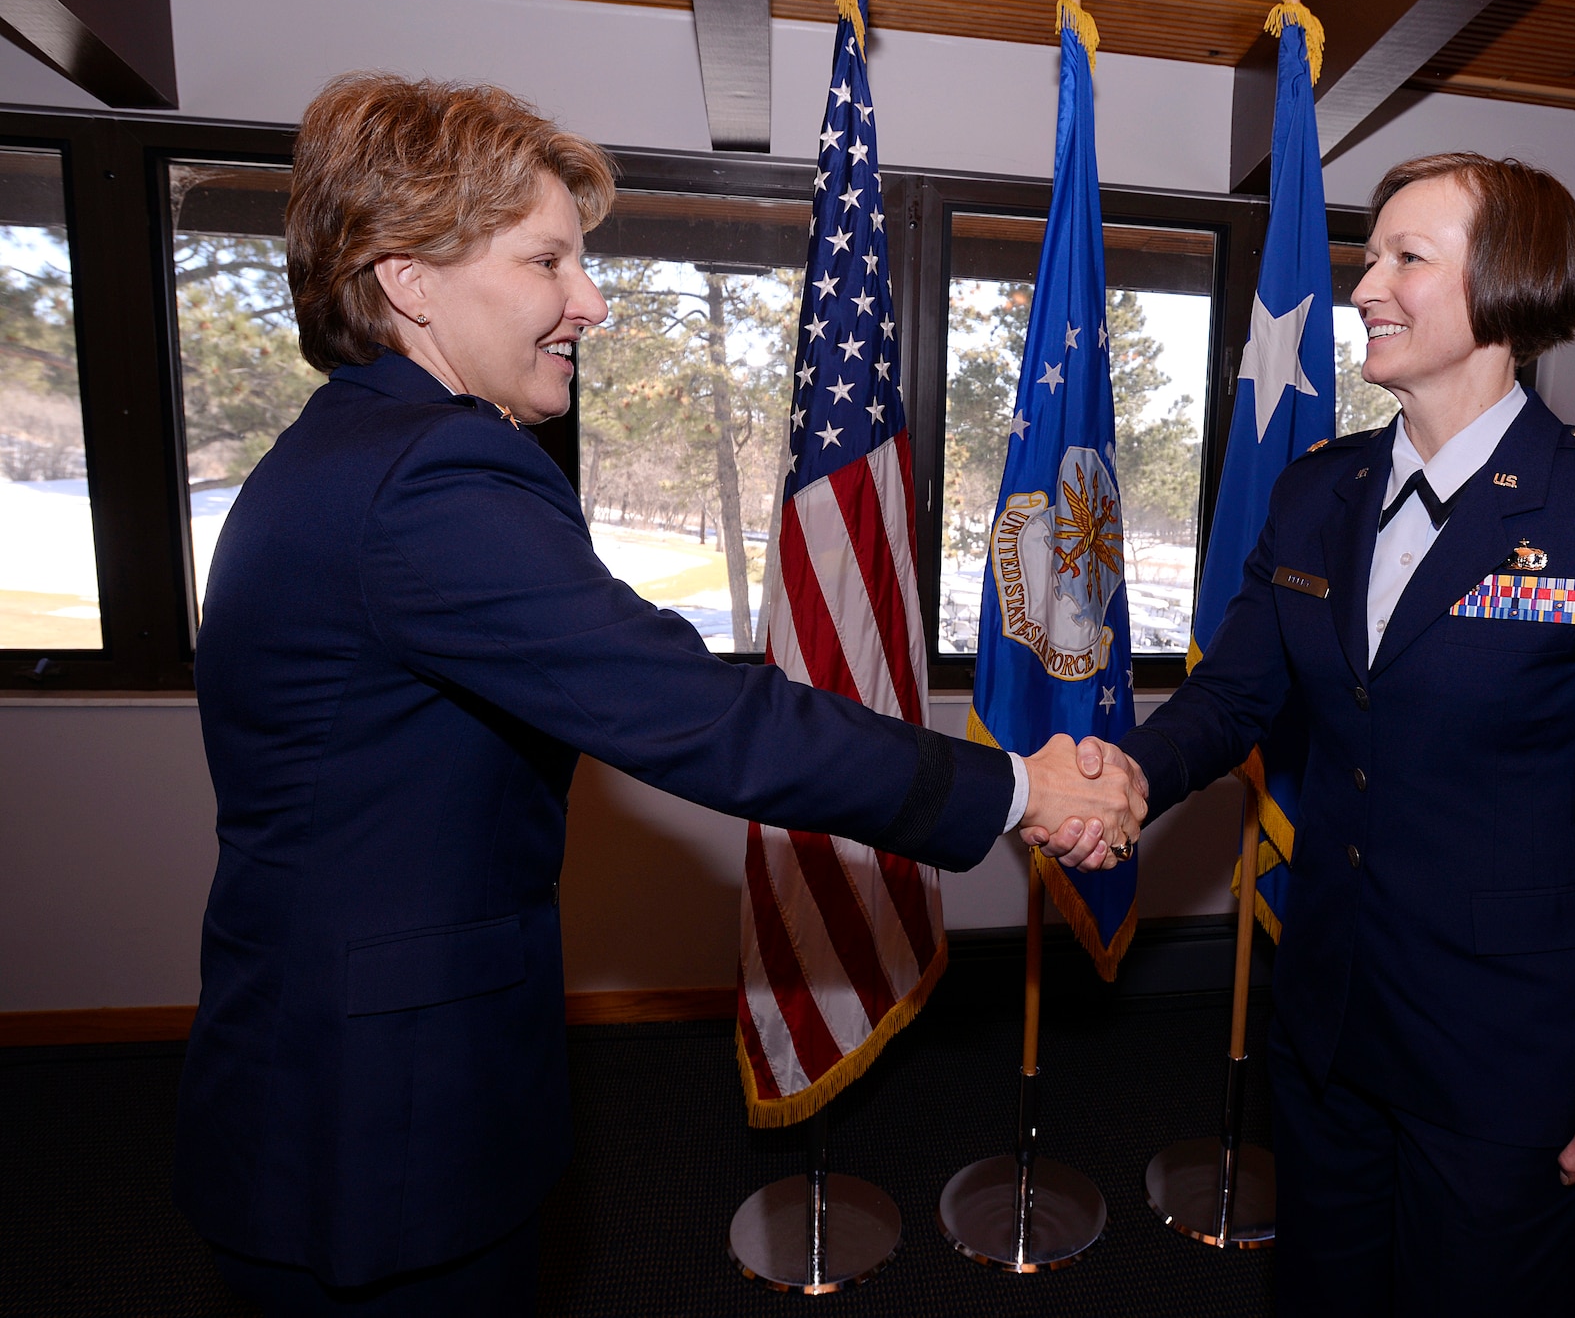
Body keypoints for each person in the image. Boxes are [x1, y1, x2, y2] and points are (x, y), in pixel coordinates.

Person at [174, 73, 1143, 1314]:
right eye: (547, 262)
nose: (591, 299)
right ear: (407, 275)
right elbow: (698, 714)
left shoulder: (346, 451)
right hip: (380, 1117)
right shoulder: (431, 477)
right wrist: (1020, 785)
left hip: (325, 1071)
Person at [1058, 153, 1575, 1314]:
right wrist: (1124, 775)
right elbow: (1234, 699)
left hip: (1506, 1054)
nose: (1362, 285)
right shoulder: (1315, 492)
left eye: (1404, 258)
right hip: (1328, 1019)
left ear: (1510, 287)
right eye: (1367, 255)